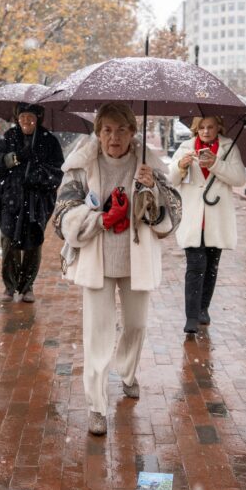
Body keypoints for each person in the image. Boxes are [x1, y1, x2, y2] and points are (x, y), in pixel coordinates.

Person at [52, 103, 181, 436]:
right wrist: (98, 219)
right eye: (107, 130)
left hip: (135, 259)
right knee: (98, 334)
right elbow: (63, 213)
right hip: (99, 259)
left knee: (136, 325)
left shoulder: (147, 164)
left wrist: (151, 189)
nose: (114, 137)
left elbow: (170, 218)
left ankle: (127, 371)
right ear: (97, 132)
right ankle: (96, 405)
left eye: (121, 129)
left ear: (132, 132)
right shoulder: (82, 166)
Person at [169, 115, 246, 335]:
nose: (205, 131)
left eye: (210, 127)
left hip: (216, 216)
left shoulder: (228, 147)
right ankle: (191, 317)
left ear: (218, 128)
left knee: (211, 266)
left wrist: (216, 164)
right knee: (195, 266)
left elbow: (239, 178)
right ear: (195, 128)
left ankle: (203, 308)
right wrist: (181, 166)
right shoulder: (185, 147)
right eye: (201, 127)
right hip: (193, 217)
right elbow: (169, 177)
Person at [0, 103, 65, 303]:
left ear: (37, 118)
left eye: (30, 117)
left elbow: (57, 172)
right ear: (17, 118)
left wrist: (35, 175)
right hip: (10, 200)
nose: (26, 121)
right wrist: (14, 158)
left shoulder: (49, 141)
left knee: (33, 243)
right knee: (9, 240)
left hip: (36, 202)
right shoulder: (10, 137)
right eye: (23, 117)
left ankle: (27, 286)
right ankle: (9, 286)